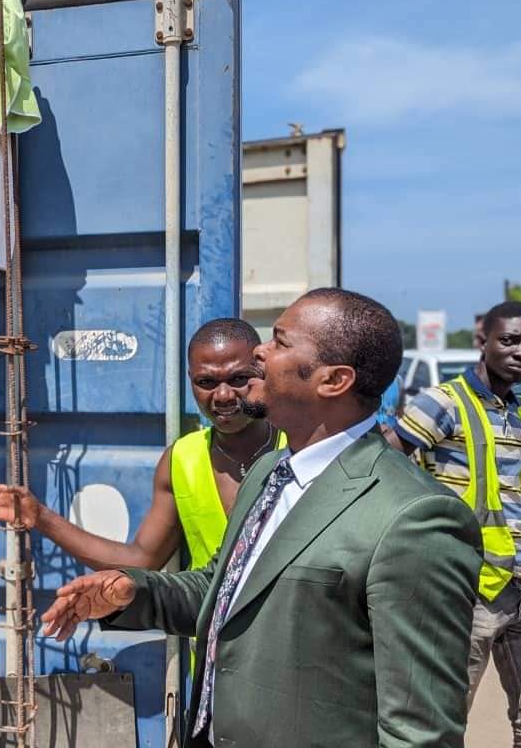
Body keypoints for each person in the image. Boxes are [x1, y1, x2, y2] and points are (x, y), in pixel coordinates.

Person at [41, 288, 482, 748]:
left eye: (280, 342)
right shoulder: (271, 472)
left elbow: (420, 731)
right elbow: (224, 592)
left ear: (333, 380)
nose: (259, 352)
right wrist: (133, 592)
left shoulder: (415, 518)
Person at [0, 319, 282, 573]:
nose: (224, 395)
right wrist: (41, 517)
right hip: (214, 648)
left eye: (239, 378)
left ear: (262, 371)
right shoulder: (182, 460)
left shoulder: (300, 445)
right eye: (206, 382)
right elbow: (142, 561)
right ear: (190, 381)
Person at [389, 300, 521, 745]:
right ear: (481, 342)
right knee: (440, 722)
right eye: (509, 340)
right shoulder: (443, 402)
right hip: (468, 589)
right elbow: (387, 461)